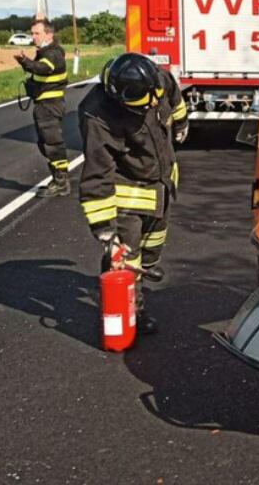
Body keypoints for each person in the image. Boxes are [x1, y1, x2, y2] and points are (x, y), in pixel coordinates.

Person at [79, 53, 188, 333]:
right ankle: (132, 313)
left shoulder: (154, 78)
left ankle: (143, 270)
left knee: (154, 246)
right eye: (146, 104)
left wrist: (181, 121)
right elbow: (97, 173)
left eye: (156, 98)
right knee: (127, 257)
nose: (154, 104)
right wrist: (106, 232)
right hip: (129, 191)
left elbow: (173, 96)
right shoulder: (98, 115)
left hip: (162, 184)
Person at [14, 17, 70, 197]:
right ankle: (57, 178)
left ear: (49, 34)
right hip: (44, 104)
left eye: (37, 33)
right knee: (45, 143)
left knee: (52, 143)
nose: (33, 37)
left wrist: (25, 63)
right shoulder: (46, 51)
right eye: (32, 33)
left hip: (50, 106)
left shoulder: (52, 54)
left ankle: (61, 182)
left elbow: (43, 68)